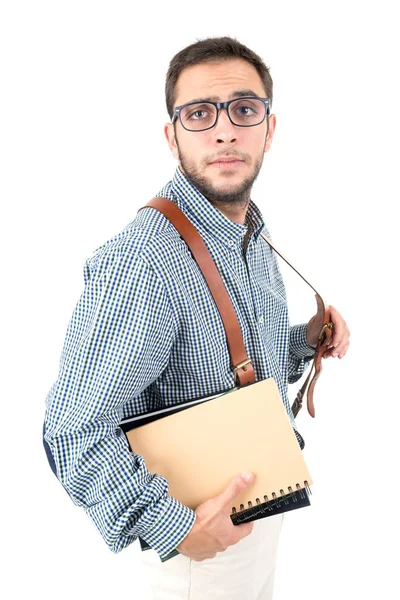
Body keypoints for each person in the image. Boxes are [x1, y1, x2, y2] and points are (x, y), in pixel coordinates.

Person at [43, 36, 350, 599]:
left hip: (254, 519)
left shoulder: (249, 231)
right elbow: (72, 432)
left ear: (269, 129)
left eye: (244, 108)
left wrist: (304, 341)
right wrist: (178, 528)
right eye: (200, 113)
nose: (225, 130)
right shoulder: (142, 262)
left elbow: (221, 365)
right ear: (173, 136)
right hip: (194, 556)